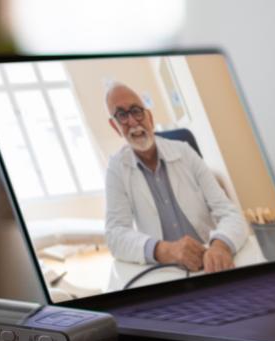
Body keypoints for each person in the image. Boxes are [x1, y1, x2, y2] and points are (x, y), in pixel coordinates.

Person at [104, 82, 248, 273]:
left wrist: (220, 246)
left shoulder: (185, 152)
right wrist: (165, 250)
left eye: (136, 111)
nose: (132, 121)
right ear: (115, 126)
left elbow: (229, 213)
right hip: (166, 270)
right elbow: (115, 235)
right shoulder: (116, 169)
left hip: (210, 261)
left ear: (150, 117)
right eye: (122, 115)